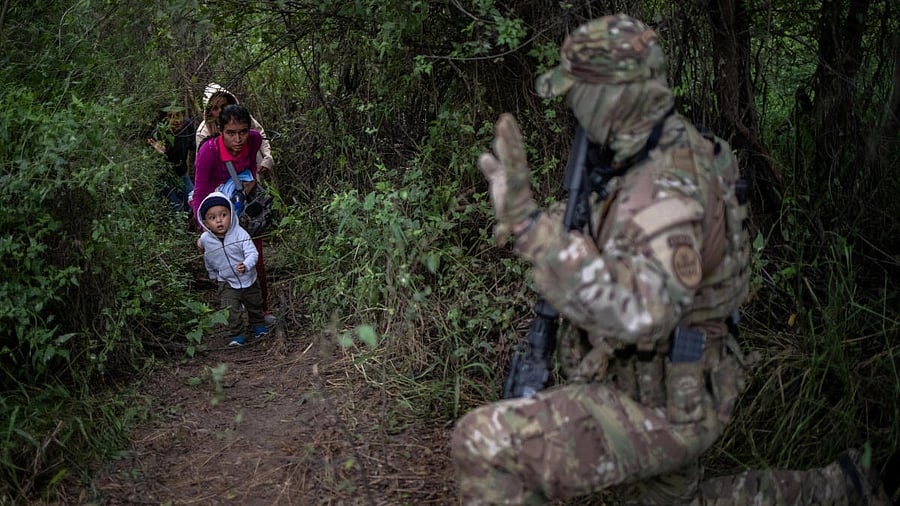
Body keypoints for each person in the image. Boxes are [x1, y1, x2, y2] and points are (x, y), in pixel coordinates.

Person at [451, 14, 889, 506]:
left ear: (610, 99)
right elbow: (622, 242)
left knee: (485, 444)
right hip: (673, 377)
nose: (572, 105)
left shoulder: (666, 187)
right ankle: (842, 487)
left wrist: (532, 231)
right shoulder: (658, 146)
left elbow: (643, 312)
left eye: (579, 93)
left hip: (661, 399)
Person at [191, 104, 275, 325]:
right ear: (220, 131)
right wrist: (204, 229)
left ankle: (261, 313)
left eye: (242, 132)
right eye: (231, 133)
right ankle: (235, 321)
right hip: (218, 214)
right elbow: (199, 191)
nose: (238, 139)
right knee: (228, 267)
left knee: (255, 259)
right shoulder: (209, 152)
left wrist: (250, 181)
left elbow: (252, 166)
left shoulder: (254, 140)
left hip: (244, 210)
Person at [197, 191, 267, 346]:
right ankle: (237, 334)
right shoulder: (206, 240)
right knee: (230, 309)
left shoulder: (240, 234)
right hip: (226, 281)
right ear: (206, 223)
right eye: (212, 218)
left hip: (248, 278)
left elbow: (252, 253)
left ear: (231, 214)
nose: (219, 221)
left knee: (254, 304)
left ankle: (258, 325)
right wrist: (213, 275)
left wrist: (247, 265)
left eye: (223, 215)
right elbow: (208, 257)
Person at [196, 83, 274, 178]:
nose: (220, 111)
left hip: (251, 167)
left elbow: (260, 134)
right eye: (215, 108)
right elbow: (203, 164)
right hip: (223, 178)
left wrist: (267, 157)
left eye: (223, 106)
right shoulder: (203, 132)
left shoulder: (242, 119)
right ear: (209, 111)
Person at [148, 105, 196, 212]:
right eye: (171, 116)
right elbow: (148, 162)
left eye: (179, 115)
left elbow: (194, 145)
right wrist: (159, 154)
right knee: (176, 209)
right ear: (165, 119)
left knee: (194, 204)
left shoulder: (187, 126)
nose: (177, 120)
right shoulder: (157, 134)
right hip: (164, 178)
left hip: (182, 173)